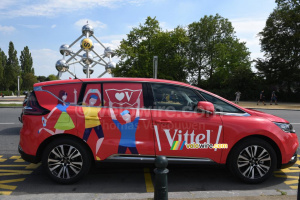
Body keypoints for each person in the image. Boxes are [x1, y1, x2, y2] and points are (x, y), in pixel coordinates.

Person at [82, 89, 104, 160]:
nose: (93, 101)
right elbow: (83, 99)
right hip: (88, 125)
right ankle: (84, 154)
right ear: (89, 99)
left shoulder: (97, 107)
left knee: (101, 137)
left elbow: (102, 101)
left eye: (95, 100)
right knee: (84, 140)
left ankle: (96, 154)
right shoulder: (84, 106)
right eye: (92, 99)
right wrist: (88, 92)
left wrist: (98, 92)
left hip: (97, 124)